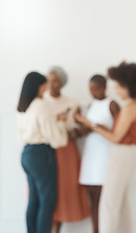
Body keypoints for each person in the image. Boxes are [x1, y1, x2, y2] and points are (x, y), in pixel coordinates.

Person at [75, 61, 136, 233]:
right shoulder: (133, 106)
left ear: (128, 86)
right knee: (121, 204)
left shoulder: (129, 108)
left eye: (118, 87)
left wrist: (90, 124)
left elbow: (115, 137)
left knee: (108, 205)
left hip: (121, 157)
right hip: (125, 156)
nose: (115, 91)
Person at [16, 72, 68, 233]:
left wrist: (53, 120)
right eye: (45, 85)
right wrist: (59, 124)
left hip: (27, 154)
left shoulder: (23, 105)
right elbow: (57, 139)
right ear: (38, 86)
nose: (47, 88)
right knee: (47, 201)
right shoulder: (40, 104)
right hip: (41, 154)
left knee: (34, 200)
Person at [43, 66, 90, 233]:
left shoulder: (72, 103)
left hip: (67, 151)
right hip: (47, 150)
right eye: (48, 79)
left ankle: (56, 229)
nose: (51, 84)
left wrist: (73, 133)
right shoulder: (41, 102)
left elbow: (82, 127)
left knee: (63, 192)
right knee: (46, 191)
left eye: (55, 80)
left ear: (62, 83)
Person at [78, 74, 120, 233]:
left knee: (105, 202)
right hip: (90, 157)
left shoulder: (112, 104)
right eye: (90, 89)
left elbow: (120, 132)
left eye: (95, 89)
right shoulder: (91, 105)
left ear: (104, 88)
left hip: (105, 157)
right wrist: (80, 124)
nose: (93, 92)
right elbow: (86, 129)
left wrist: (95, 126)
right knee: (93, 202)